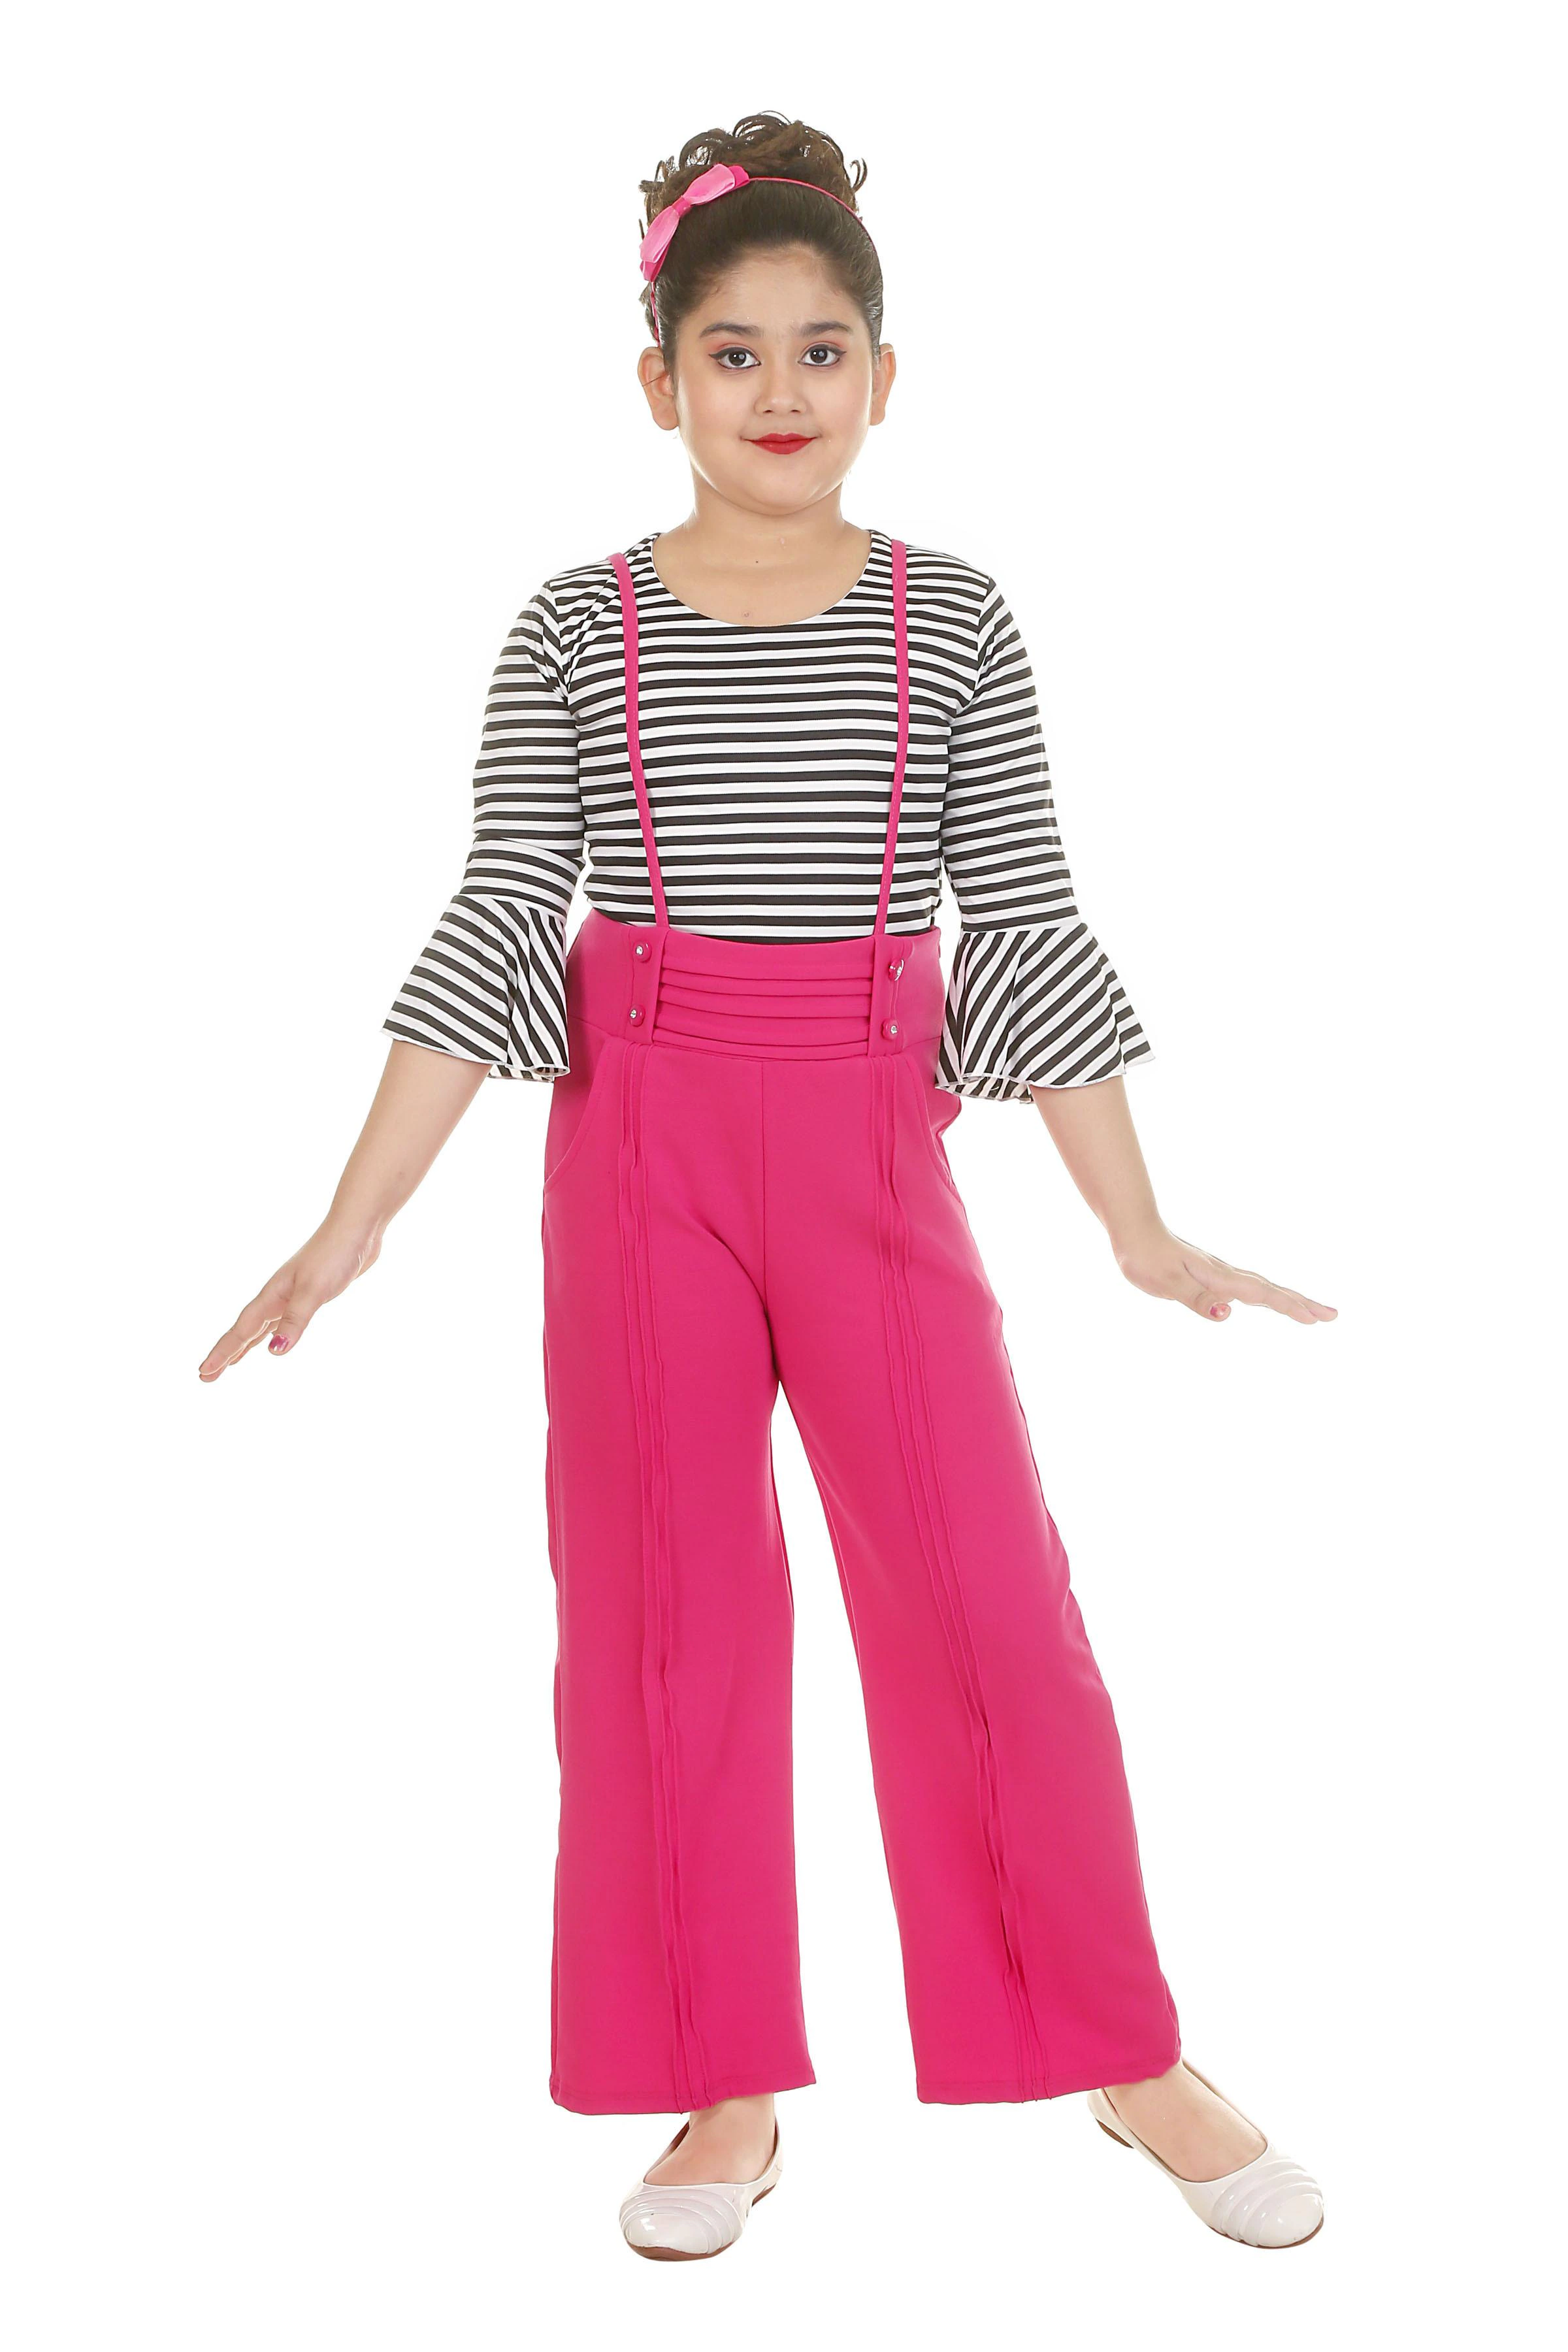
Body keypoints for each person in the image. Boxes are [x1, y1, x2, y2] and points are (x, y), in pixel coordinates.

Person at [200, 111, 1334, 2259]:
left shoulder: (953, 618)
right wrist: (352, 1224)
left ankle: (1122, 2052)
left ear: (888, 375)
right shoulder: (575, 626)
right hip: (642, 1141)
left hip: (869, 1133)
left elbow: (1024, 917)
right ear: (660, 382)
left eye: (824, 350)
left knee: (988, 1604)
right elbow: (500, 915)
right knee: (668, 1622)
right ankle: (719, 2081)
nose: (782, 391)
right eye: (734, 353)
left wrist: (1137, 1226)